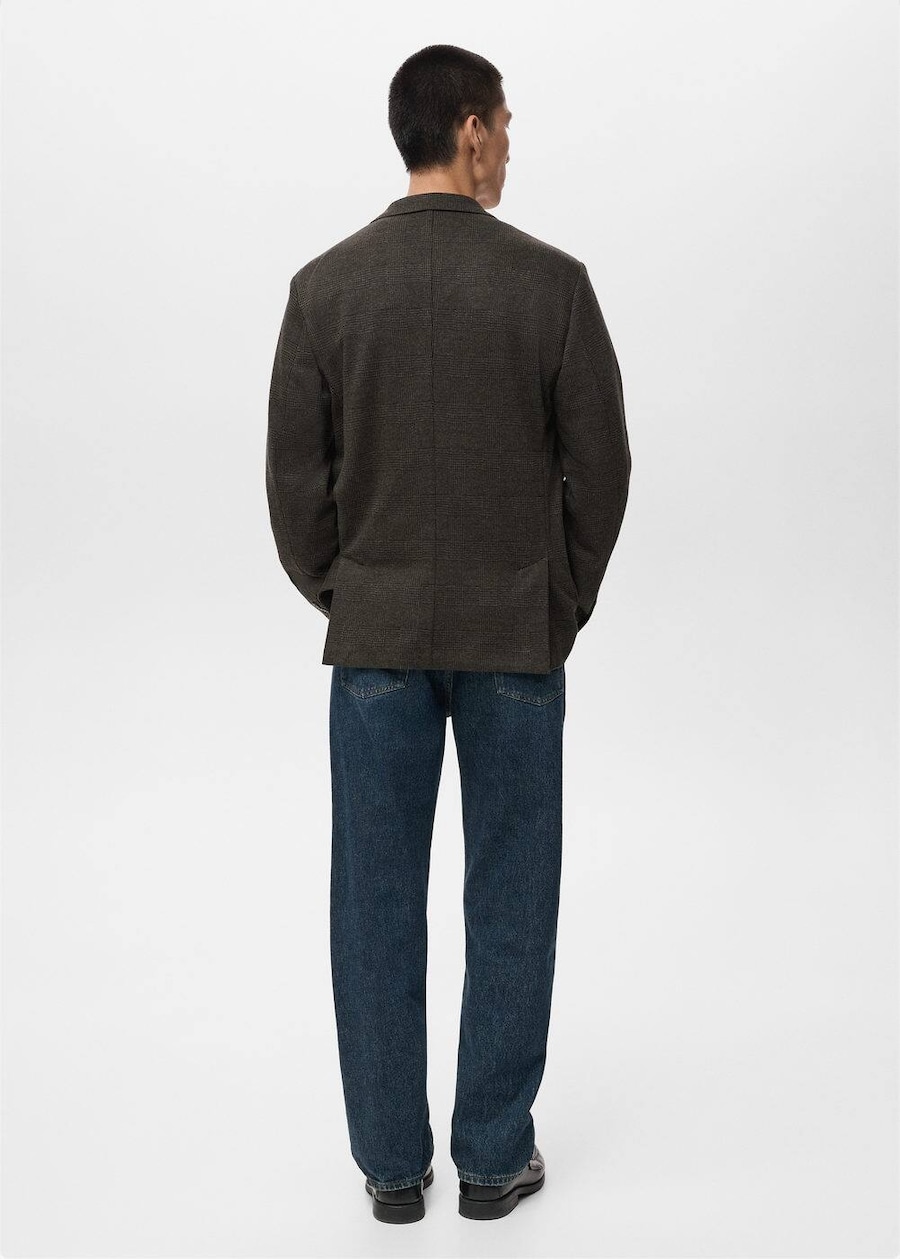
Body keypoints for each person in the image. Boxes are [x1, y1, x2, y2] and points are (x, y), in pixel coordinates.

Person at [265, 43, 632, 1224]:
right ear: (469, 130)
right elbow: (603, 469)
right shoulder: (551, 285)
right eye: (506, 124)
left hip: (376, 638)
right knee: (512, 893)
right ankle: (491, 1155)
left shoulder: (324, 289)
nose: (511, 144)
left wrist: (350, 592)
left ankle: (389, 1166)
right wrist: (557, 600)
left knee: (372, 902)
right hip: (515, 635)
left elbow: (293, 488)